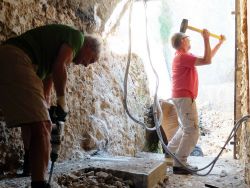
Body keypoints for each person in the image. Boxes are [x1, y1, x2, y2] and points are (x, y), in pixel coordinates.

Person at [0, 24, 101, 187]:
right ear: (89, 46)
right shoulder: (78, 38)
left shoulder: (48, 63)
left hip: (8, 57)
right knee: (43, 125)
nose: (87, 65)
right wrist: (62, 102)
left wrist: (48, 112)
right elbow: (60, 66)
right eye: (91, 59)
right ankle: (39, 183)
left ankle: (29, 164)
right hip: (17, 57)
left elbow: (44, 96)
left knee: (33, 120)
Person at [167, 30, 224, 175]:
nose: (190, 41)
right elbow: (207, 60)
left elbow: (207, 58)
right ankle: (180, 163)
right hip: (184, 97)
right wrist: (206, 38)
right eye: (188, 39)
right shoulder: (182, 57)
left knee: (186, 127)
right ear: (182, 42)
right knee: (192, 130)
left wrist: (219, 43)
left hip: (181, 97)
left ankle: (170, 153)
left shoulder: (183, 57)